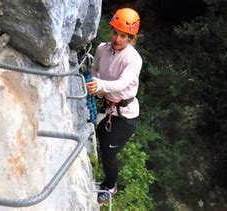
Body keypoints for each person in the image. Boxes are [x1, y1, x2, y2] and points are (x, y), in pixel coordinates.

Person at [86, 7, 142, 206]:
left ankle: (110, 186)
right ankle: (105, 180)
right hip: (107, 107)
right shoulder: (102, 48)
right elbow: (95, 70)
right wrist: (96, 83)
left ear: (131, 38)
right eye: (115, 33)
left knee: (109, 151)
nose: (117, 39)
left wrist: (100, 85)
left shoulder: (133, 59)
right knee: (99, 139)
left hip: (125, 114)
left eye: (123, 36)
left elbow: (121, 83)